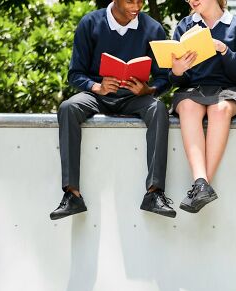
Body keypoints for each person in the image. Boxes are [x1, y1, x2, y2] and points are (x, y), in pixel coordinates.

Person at [50, 0, 175, 221]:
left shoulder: (153, 28)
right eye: (130, 1)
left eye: (141, 1)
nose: (136, 6)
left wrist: (149, 89)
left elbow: (165, 78)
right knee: (68, 108)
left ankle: (155, 193)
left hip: (134, 98)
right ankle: (72, 194)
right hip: (97, 96)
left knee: (158, 109)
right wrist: (97, 86)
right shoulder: (89, 23)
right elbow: (75, 74)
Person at [170, 0, 236, 214]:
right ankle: (201, 182)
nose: (191, 0)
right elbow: (177, 80)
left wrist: (224, 50)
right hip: (193, 90)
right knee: (187, 107)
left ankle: (202, 185)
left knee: (220, 109)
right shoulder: (185, 26)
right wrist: (177, 71)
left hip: (228, 90)